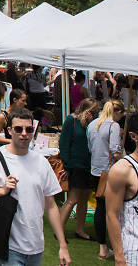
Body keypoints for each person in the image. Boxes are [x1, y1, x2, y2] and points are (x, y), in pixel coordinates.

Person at [0, 107, 71, 266]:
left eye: (29, 129)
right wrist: (0, 191)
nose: (24, 133)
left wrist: (62, 245)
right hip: (8, 245)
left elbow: (51, 205)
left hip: (36, 246)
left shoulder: (41, 162)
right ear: (9, 131)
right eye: (18, 129)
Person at [88, 99, 126, 260]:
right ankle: (116, 246)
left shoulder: (93, 124)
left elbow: (90, 147)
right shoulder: (113, 126)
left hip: (95, 171)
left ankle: (103, 246)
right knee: (113, 211)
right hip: (109, 172)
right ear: (117, 112)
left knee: (100, 209)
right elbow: (115, 151)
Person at [59, 97, 100, 242]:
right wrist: (67, 164)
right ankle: (59, 231)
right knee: (73, 199)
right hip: (76, 165)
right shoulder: (72, 121)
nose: (96, 115)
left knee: (84, 198)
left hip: (88, 165)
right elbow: (64, 143)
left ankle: (80, 230)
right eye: (94, 112)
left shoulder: (91, 124)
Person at [105, 111, 138, 266]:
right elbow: (112, 214)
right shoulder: (122, 170)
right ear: (133, 136)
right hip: (133, 252)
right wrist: (119, 256)